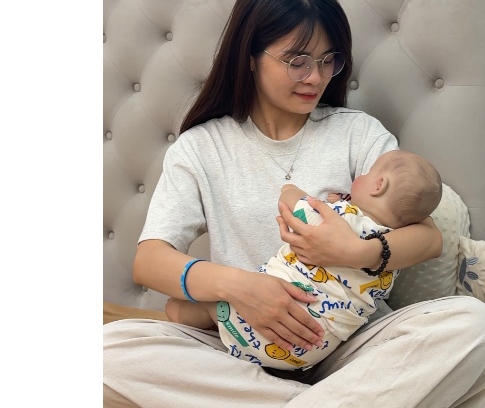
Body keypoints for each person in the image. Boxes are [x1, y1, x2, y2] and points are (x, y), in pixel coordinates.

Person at [102, 0, 485, 408]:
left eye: (328, 60)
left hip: (349, 348)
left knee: (475, 328)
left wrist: (355, 252)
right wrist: (243, 288)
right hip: (244, 349)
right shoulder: (202, 148)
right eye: (297, 60)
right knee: (107, 357)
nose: (315, 77)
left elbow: (428, 238)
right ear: (250, 56)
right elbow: (149, 259)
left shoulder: (357, 134)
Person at [166, 149, 443, 371]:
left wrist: (290, 189)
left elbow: (296, 205)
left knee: (180, 308)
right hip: (314, 349)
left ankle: (215, 328)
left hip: (259, 322)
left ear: (378, 185)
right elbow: (426, 236)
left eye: (367, 173)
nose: (361, 175)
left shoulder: (337, 217)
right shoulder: (394, 250)